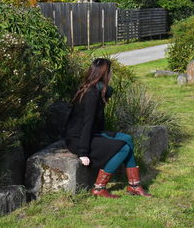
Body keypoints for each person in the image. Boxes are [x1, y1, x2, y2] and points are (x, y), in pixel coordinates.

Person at [64, 58, 152, 198]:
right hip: (79, 139)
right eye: (110, 72)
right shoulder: (91, 94)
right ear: (105, 74)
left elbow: (95, 122)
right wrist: (83, 153)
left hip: (93, 133)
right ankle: (99, 187)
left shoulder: (96, 90)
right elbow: (87, 123)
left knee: (127, 138)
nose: (111, 75)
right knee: (124, 147)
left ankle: (134, 186)